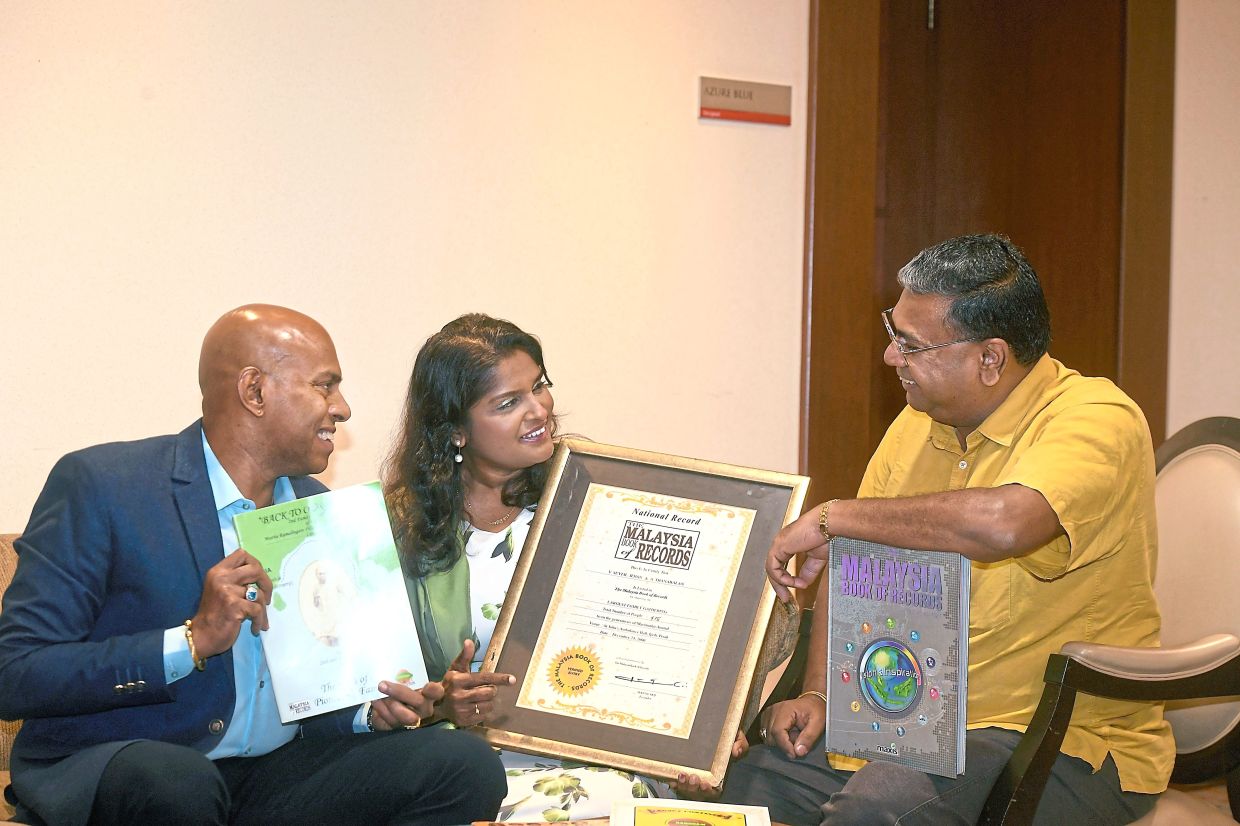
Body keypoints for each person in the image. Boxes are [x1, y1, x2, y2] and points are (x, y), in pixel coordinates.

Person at [720, 235, 1171, 825]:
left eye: (910, 345)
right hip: (904, 725)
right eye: (894, 333)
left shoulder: (1096, 420)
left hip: (1053, 740)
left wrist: (836, 515)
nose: (890, 357)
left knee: (877, 811)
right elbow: (853, 558)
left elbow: (1008, 523)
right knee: (735, 786)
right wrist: (821, 694)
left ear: (990, 357)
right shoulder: (917, 422)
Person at [0, 305, 505, 826]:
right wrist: (191, 640)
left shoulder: (317, 508)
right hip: (136, 768)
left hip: (268, 779)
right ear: (254, 391)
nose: (344, 408)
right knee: (177, 782)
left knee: (463, 765)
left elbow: (311, 685)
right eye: (325, 386)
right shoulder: (105, 486)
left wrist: (370, 712)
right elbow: (15, 674)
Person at [384, 313, 669, 821]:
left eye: (539, 386)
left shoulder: (597, 499)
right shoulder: (396, 532)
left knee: (621, 798)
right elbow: (374, 693)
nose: (539, 410)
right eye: (508, 403)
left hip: (598, 751)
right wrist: (443, 704)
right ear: (456, 432)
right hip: (460, 763)